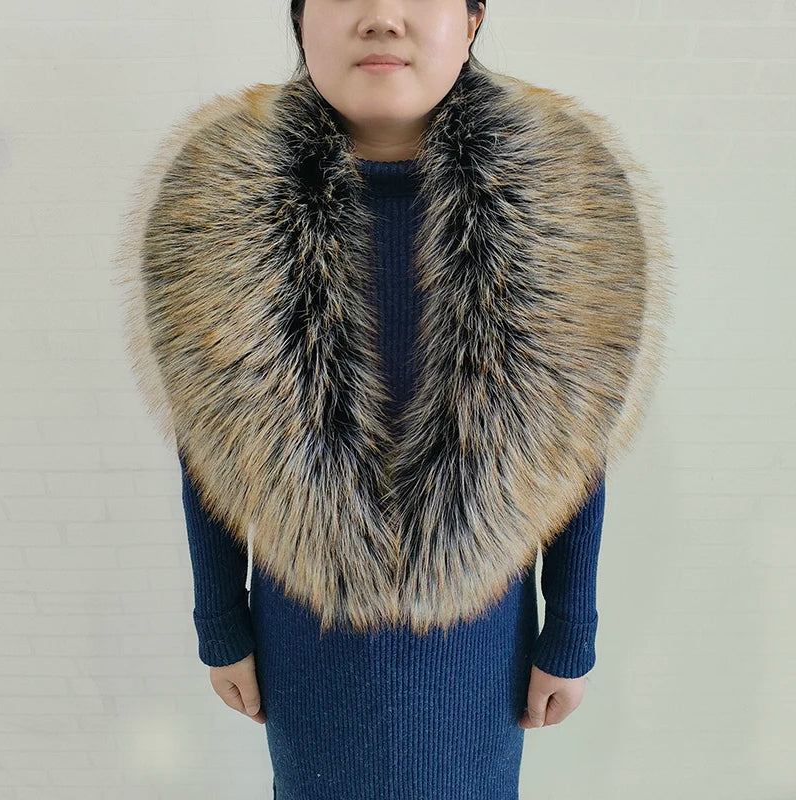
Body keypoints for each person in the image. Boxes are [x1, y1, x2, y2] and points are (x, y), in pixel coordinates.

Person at [117, 0, 672, 796]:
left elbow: (575, 445)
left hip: (483, 646)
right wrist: (221, 618)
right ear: (300, 16)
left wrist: (570, 627)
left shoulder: (567, 197)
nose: (382, 16)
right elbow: (208, 443)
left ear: (473, 19)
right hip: (304, 640)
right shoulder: (216, 199)